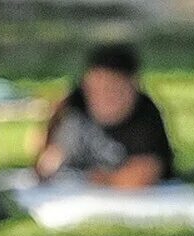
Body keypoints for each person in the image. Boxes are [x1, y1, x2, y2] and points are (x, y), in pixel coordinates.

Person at [36, 43, 174, 189]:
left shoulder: (145, 118)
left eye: (112, 89)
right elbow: (47, 150)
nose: (102, 97)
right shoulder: (75, 103)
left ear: (132, 86)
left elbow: (142, 175)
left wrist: (95, 179)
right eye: (95, 89)